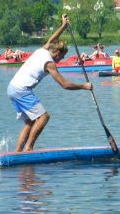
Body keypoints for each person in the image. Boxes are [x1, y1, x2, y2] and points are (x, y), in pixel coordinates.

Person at [7, 14, 93, 152]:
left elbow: (52, 39)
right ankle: (29, 149)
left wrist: (63, 26)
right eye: (62, 56)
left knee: (30, 122)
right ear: (57, 53)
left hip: (11, 88)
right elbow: (64, 84)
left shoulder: (43, 49)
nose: (61, 59)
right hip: (21, 89)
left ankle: (17, 153)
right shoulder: (49, 64)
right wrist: (84, 86)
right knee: (44, 117)